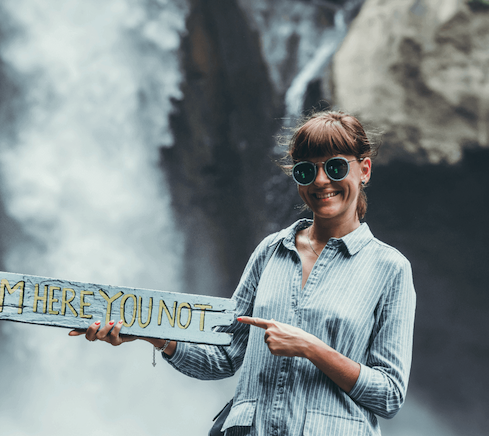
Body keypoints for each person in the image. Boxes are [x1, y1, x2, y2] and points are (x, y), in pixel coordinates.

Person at [69, 111, 416, 436]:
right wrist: (153, 335)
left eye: (336, 167)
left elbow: (389, 395)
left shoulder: (390, 269)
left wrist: (312, 348)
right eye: (306, 171)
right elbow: (223, 358)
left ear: (364, 170)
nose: (322, 181)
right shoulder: (271, 252)